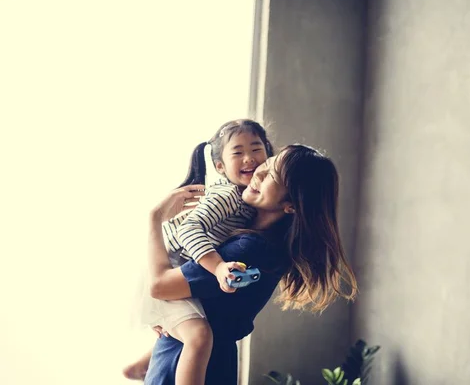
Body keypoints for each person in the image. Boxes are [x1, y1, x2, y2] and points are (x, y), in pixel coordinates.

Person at [143, 144, 359, 384]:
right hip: (203, 363)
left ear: (292, 205)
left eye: (271, 176)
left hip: (187, 367)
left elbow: (159, 286)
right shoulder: (264, 243)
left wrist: (154, 219)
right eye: (265, 165)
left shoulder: (250, 248)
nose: (258, 173)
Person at [124, 119, 274, 384]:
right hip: (170, 263)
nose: (249, 158)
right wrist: (217, 266)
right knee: (199, 336)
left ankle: (140, 366)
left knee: (194, 325)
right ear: (220, 166)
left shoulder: (250, 203)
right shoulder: (228, 195)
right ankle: (140, 366)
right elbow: (189, 229)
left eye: (256, 149)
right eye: (237, 152)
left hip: (180, 266)